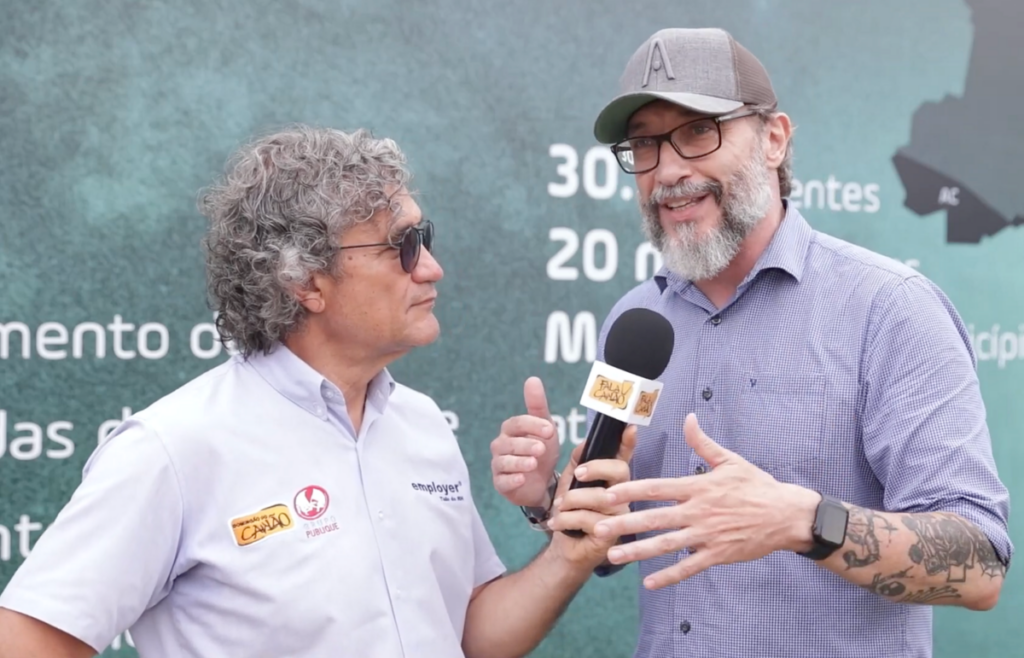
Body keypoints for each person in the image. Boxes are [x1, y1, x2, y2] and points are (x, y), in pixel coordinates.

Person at [0, 126, 635, 658]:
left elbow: (469, 634)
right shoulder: (172, 448)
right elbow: (27, 637)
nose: (431, 267)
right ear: (303, 281)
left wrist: (571, 552)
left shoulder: (421, 424)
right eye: (401, 246)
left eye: (425, 238)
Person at [490, 27, 1013, 658]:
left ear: (774, 139)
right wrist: (552, 498)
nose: (669, 171)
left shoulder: (890, 308)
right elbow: (617, 539)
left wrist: (801, 521)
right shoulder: (635, 322)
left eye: (698, 131)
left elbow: (981, 564)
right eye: (645, 144)